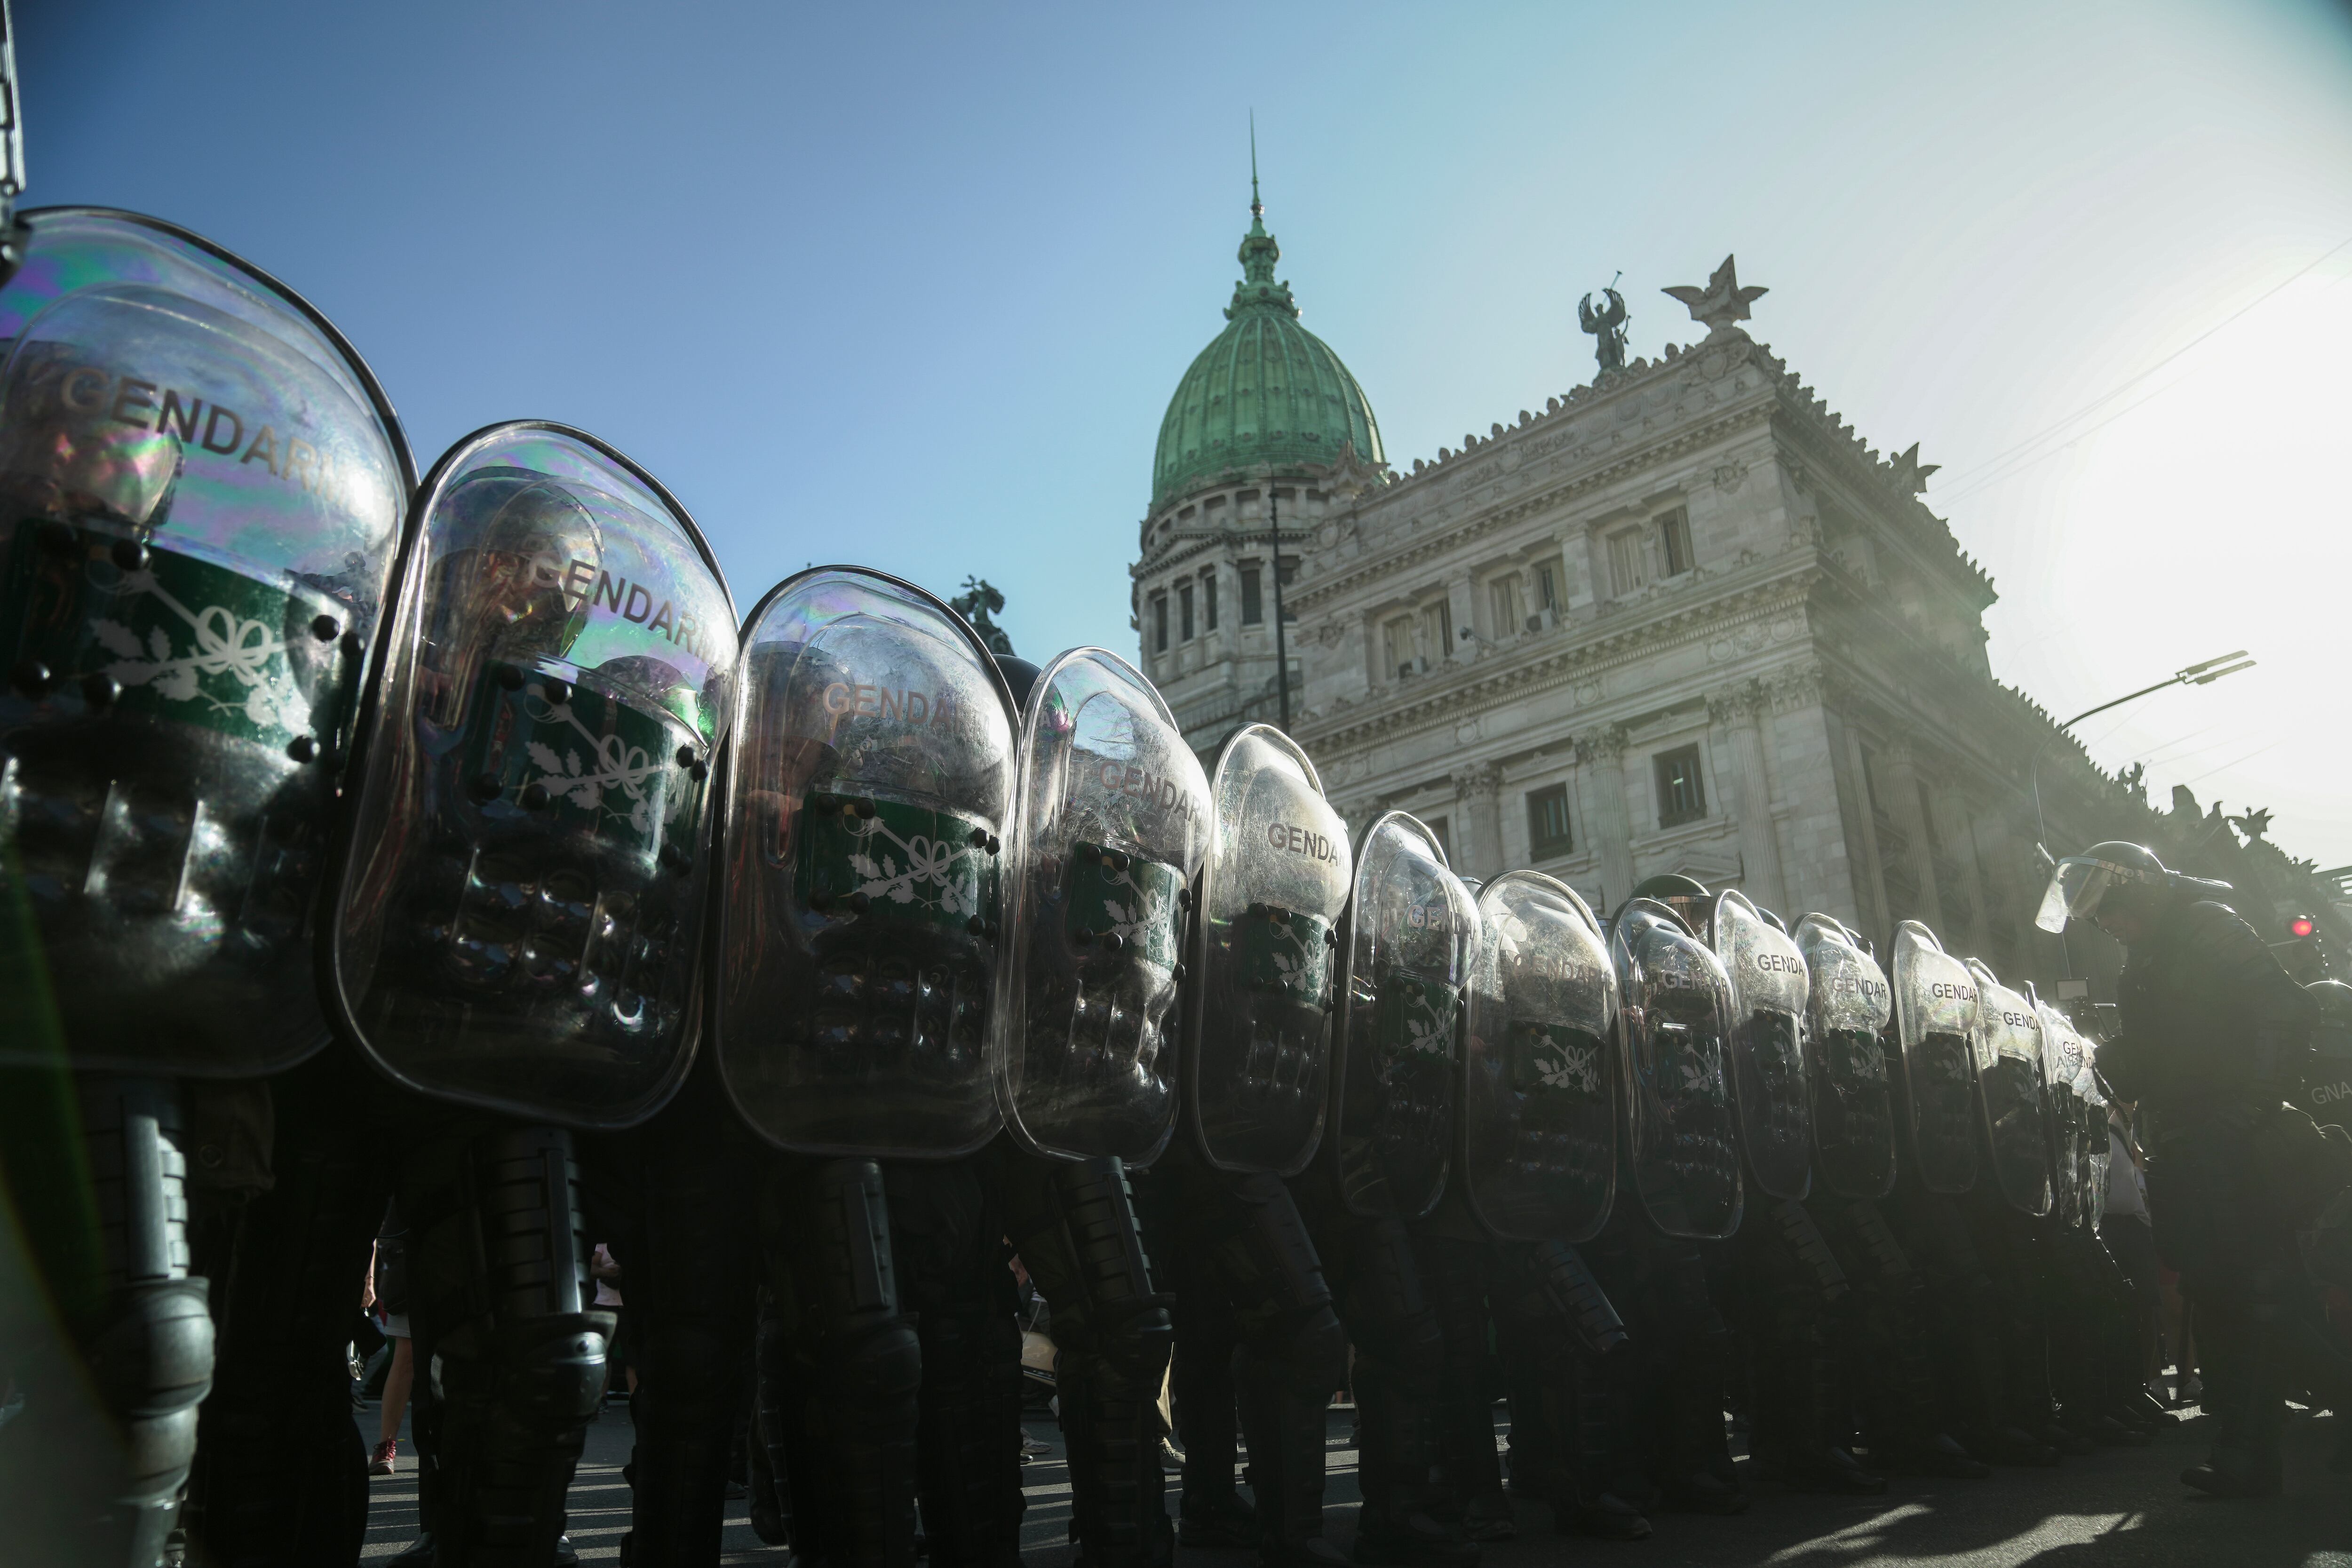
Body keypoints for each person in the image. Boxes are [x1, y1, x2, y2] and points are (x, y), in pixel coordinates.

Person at [2038, 841, 2349, 1496]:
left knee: (2257, 1302)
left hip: (2233, 1145)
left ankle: (2249, 1452)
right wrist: (2123, 1058)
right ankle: (2245, 1454)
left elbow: (2288, 1008)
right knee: (2231, 1301)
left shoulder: (2206, 924)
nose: (2104, 924)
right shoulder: (2149, 956)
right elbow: (2178, 1046)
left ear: (2141, 891)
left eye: (2109, 909)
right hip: (2191, 1146)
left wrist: (2254, 1101)